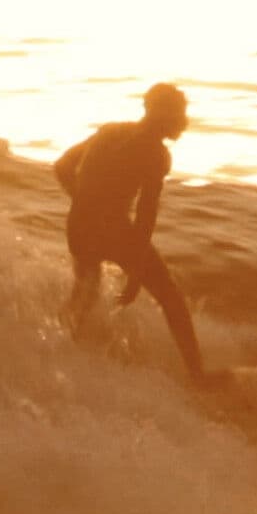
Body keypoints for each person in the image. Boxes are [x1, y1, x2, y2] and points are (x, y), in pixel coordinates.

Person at [53, 83, 206, 380]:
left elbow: (61, 167)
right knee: (171, 298)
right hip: (113, 230)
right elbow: (146, 214)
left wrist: (84, 202)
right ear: (164, 114)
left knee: (84, 295)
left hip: (79, 224)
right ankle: (198, 374)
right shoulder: (156, 154)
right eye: (180, 114)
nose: (184, 122)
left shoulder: (108, 131)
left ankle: (57, 350)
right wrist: (136, 270)